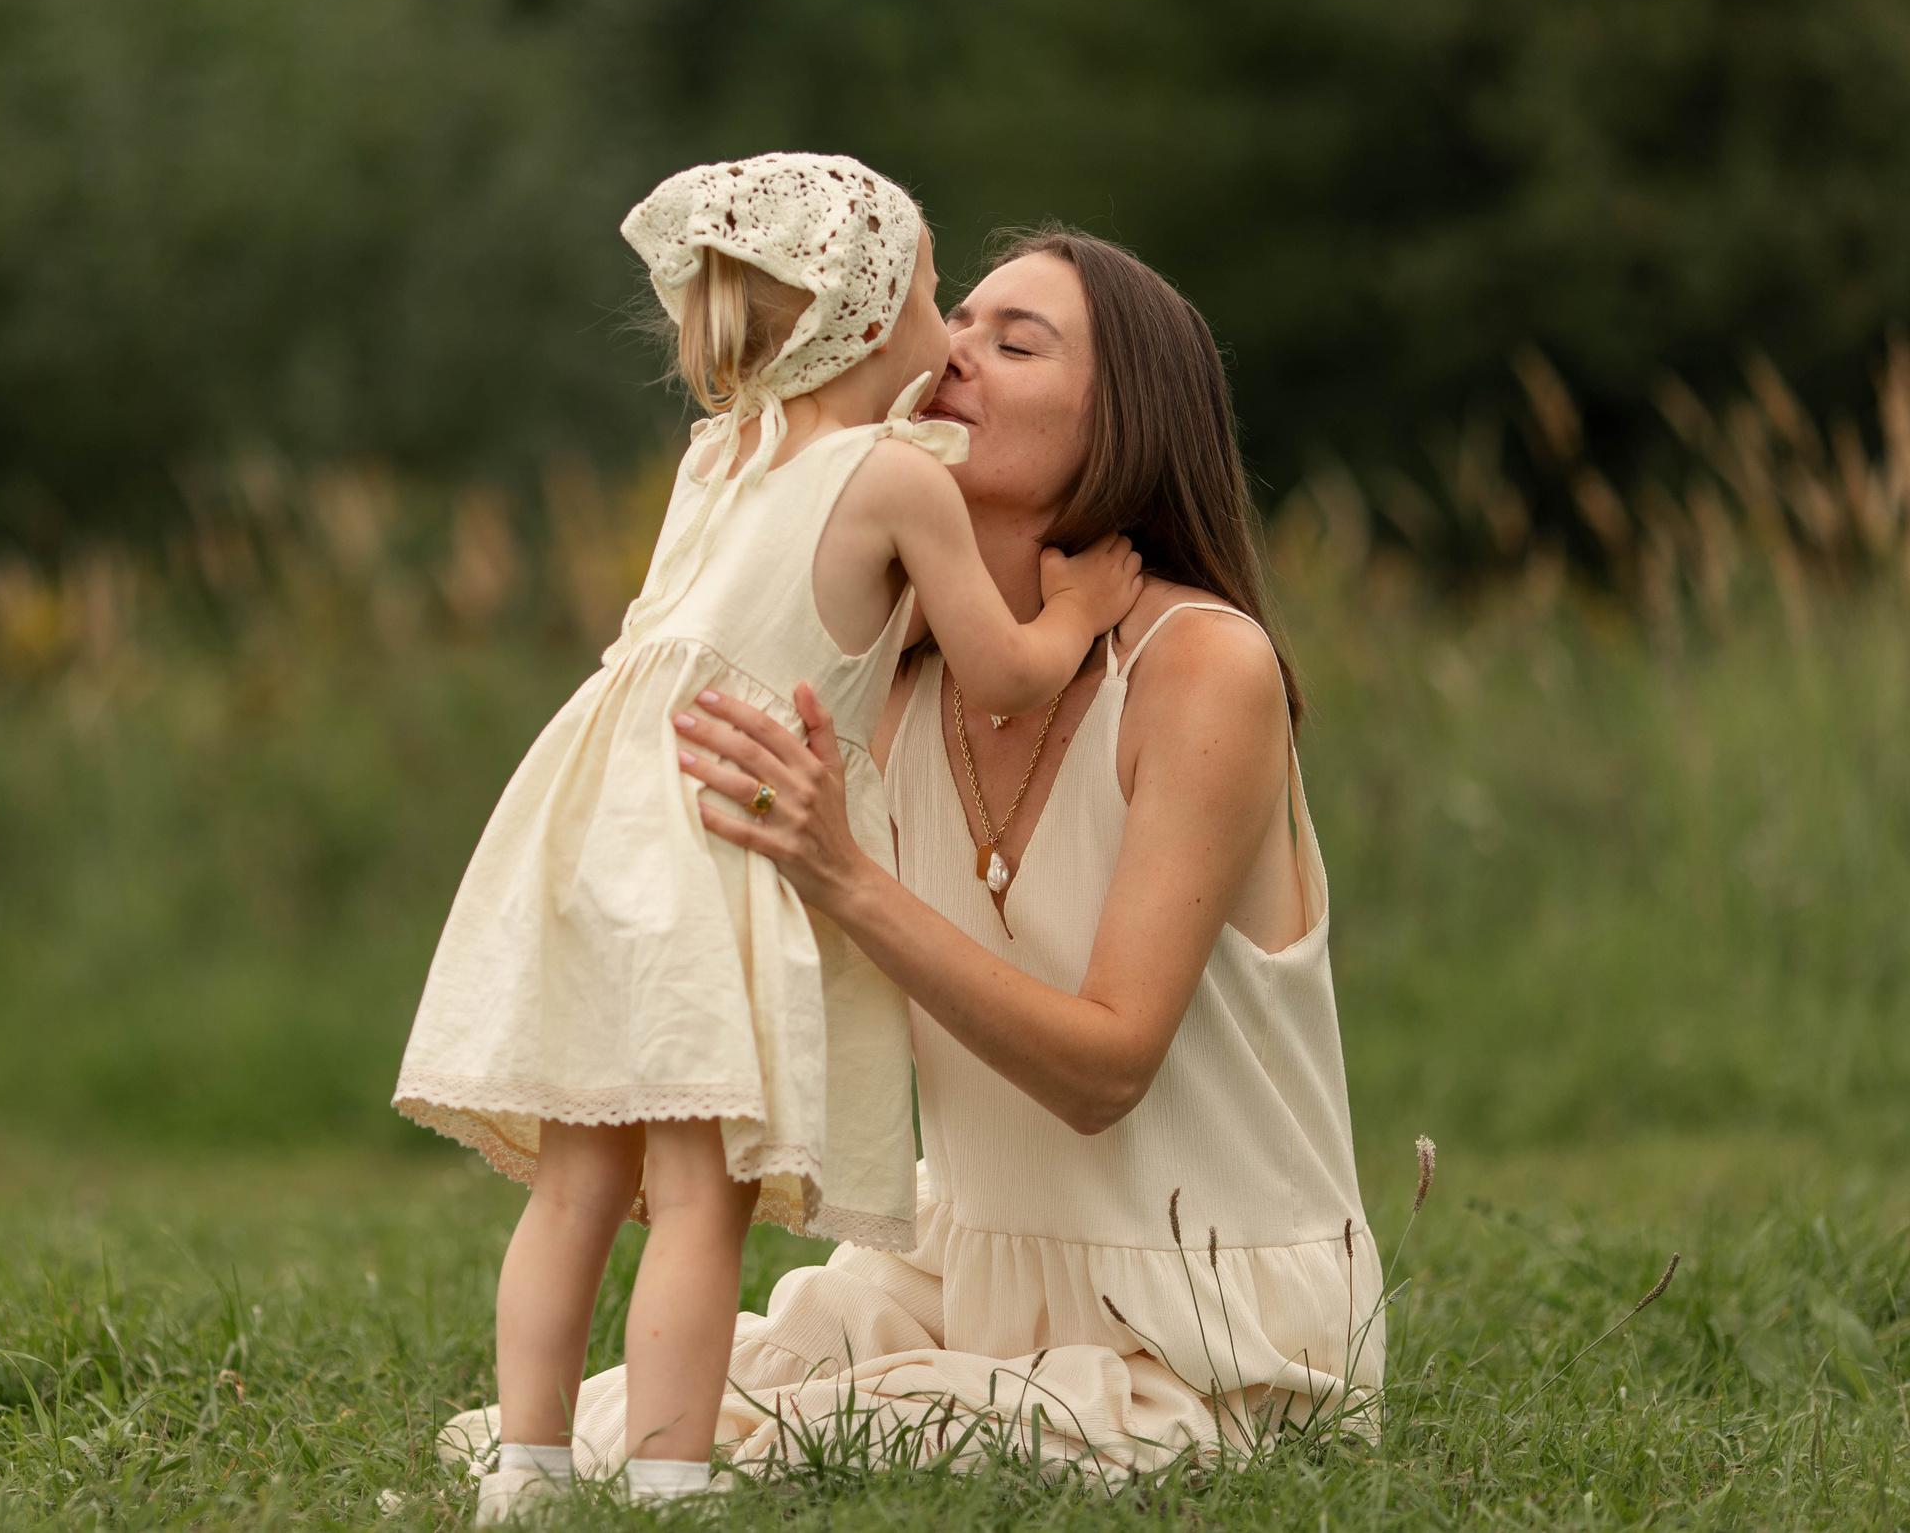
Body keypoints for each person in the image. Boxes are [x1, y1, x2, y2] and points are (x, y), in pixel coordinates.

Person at [440, 226, 1382, 1485]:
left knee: (761, 1455)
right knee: (622, 1433)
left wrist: (845, 881)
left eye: (1016, 339)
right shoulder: (875, 685)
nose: (953, 353)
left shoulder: (1199, 667)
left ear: (1127, 418)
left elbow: (1106, 1070)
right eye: (958, 319)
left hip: (1204, 1321)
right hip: (962, 1282)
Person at [393, 159, 1144, 1518]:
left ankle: (527, 1468)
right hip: (717, 841)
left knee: (575, 1180)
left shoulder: (722, 450)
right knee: (697, 1192)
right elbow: (1003, 674)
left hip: (591, 831)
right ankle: (675, 1477)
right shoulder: (896, 479)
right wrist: (1081, 608)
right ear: (864, 321)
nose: (951, 329)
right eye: (931, 295)